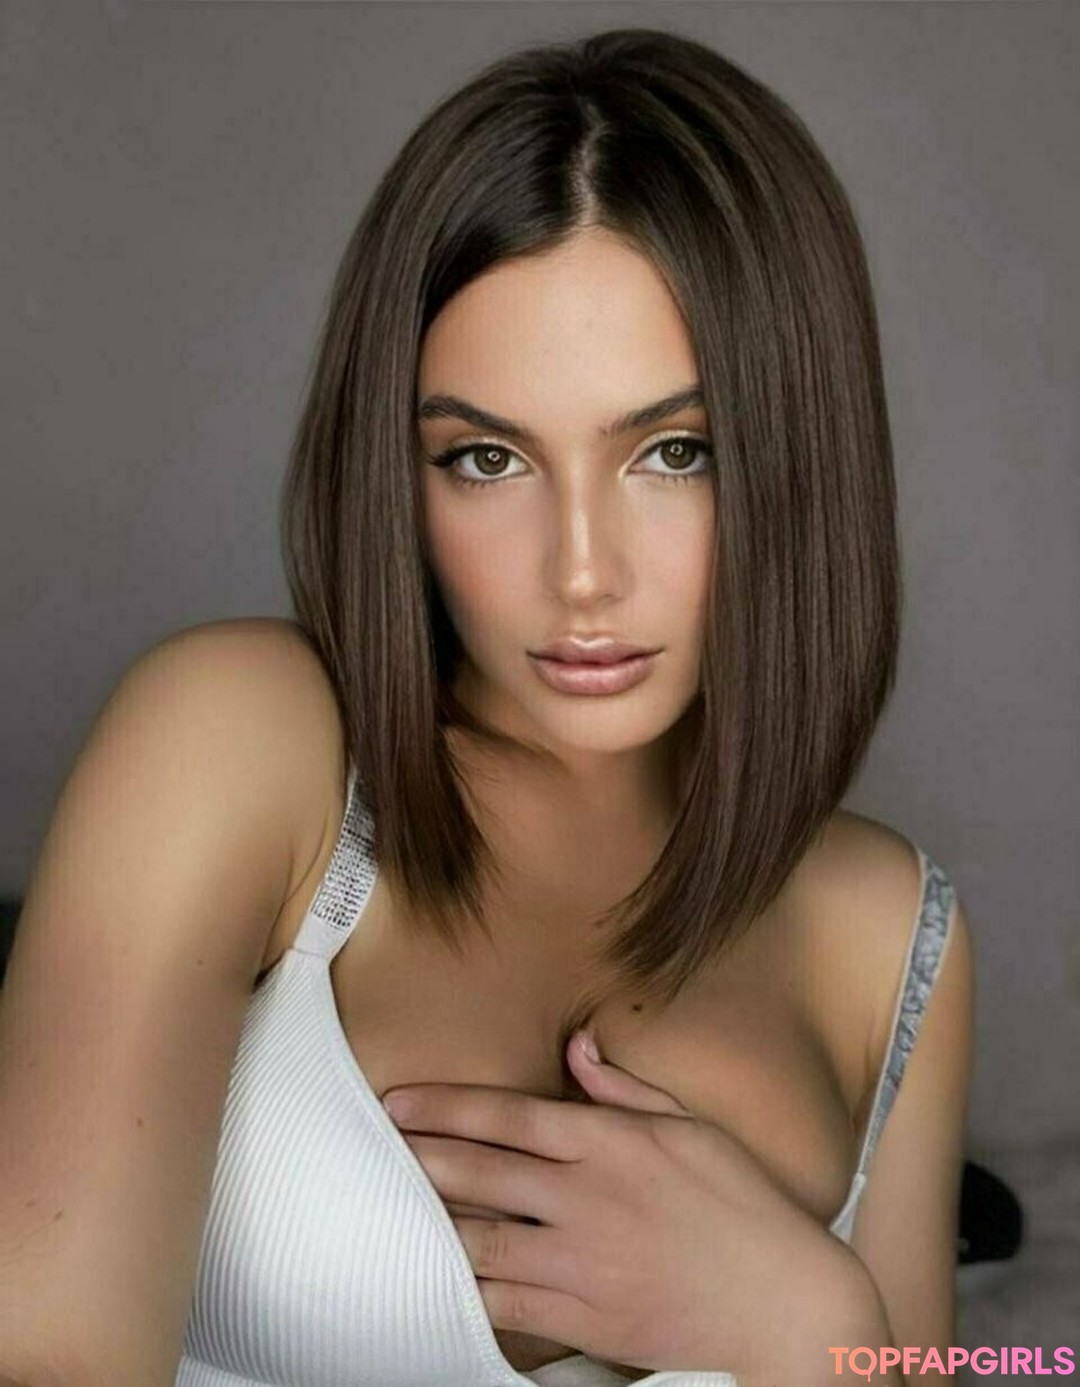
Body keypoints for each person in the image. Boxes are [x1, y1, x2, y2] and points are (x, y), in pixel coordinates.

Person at [0, 25, 974, 1387]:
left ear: (798, 457)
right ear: (398, 476)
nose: (581, 573)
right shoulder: (240, 741)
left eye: (673, 452)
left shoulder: (887, 931)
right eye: (488, 459)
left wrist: (812, 1328)